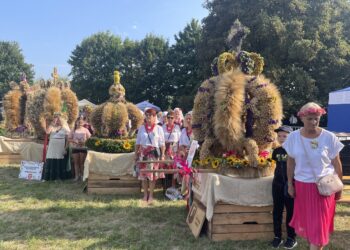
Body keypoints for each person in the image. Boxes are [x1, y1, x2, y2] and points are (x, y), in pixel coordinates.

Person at [283, 102, 343, 250]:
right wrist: (290, 184)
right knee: (310, 225)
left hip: (324, 188)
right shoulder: (293, 138)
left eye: (317, 118)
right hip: (302, 187)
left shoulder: (329, 137)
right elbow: (290, 163)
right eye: (310, 118)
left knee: (319, 226)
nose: (314, 122)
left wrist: (340, 187)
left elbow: (337, 164)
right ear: (302, 118)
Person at [271, 125, 297, 249]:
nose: (281, 138)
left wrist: (291, 183)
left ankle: (291, 238)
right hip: (277, 184)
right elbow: (276, 166)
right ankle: (277, 236)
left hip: (290, 185)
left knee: (291, 212)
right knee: (277, 211)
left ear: (291, 137)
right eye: (279, 136)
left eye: (284, 136)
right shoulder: (276, 151)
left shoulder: (295, 151)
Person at [135, 107, 165, 204]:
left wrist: (163, 155)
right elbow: (138, 142)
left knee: (152, 176)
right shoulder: (141, 128)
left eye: (150, 115)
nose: (148, 117)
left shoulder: (159, 128)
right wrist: (136, 155)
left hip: (154, 155)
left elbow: (162, 144)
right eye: (146, 115)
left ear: (154, 116)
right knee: (143, 176)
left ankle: (151, 195)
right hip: (143, 154)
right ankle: (145, 195)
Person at [42, 113, 71, 181]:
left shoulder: (65, 127)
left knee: (59, 160)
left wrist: (65, 148)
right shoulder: (52, 126)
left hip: (60, 145)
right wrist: (52, 124)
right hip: (52, 146)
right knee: (50, 159)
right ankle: (48, 177)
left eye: (58, 119)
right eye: (56, 118)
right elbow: (47, 132)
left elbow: (68, 139)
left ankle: (58, 177)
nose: (57, 120)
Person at [162, 110, 181, 190]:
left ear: (174, 119)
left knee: (174, 168)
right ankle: (165, 186)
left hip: (174, 149)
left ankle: (173, 186)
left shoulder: (177, 127)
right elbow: (160, 138)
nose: (170, 119)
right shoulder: (163, 127)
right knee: (165, 167)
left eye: (171, 118)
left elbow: (179, 139)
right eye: (168, 117)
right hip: (166, 149)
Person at [69, 116, 91, 181]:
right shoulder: (73, 130)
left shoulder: (85, 130)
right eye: (78, 122)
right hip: (75, 148)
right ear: (76, 122)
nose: (79, 123)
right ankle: (76, 176)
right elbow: (69, 138)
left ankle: (82, 176)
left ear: (83, 123)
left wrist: (84, 142)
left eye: (81, 122)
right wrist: (74, 141)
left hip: (83, 148)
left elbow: (89, 139)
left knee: (82, 163)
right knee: (76, 163)